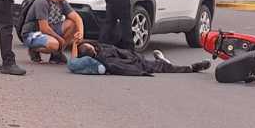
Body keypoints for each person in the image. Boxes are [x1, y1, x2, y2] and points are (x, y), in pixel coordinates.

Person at [20, 0, 84, 64]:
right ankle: (34, 49)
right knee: (54, 44)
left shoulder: (62, 2)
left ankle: (56, 55)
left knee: (73, 24)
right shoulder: (42, 2)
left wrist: (80, 34)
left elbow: (77, 18)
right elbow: (44, 28)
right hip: (33, 33)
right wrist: (60, 39)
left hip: (50, 29)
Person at [75, 40, 211, 76]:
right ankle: (192, 68)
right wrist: (141, 72)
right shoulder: (105, 61)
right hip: (136, 63)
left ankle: (161, 61)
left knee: (157, 65)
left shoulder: (100, 47)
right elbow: (122, 68)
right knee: (164, 67)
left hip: (134, 56)